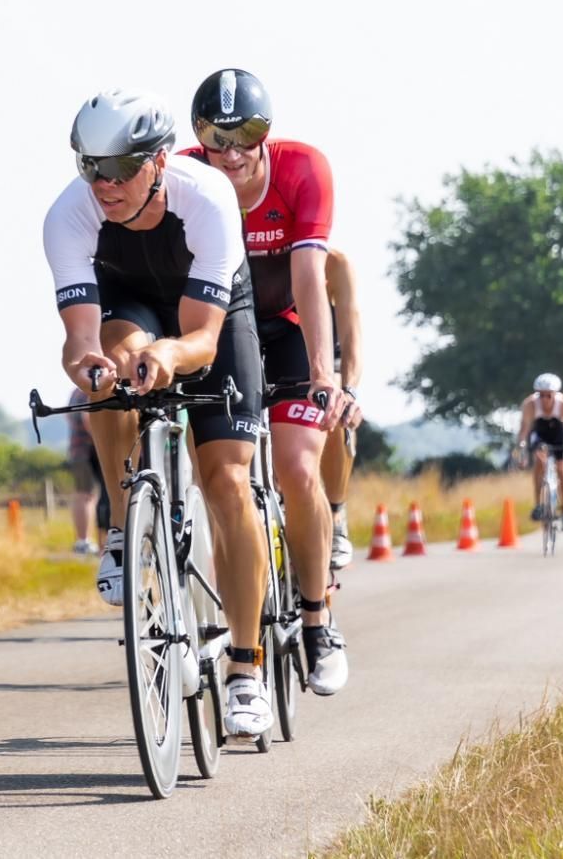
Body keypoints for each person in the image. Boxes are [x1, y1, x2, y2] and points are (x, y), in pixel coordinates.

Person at [43, 88, 272, 737]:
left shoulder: (208, 199)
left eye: (119, 169)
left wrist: (169, 354)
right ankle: (124, 525)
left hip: (212, 314)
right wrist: (93, 363)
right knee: (108, 374)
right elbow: (80, 338)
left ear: (160, 160)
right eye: (91, 168)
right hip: (130, 300)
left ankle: (246, 668)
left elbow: (202, 338)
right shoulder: (68, 215)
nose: (104, 184)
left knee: (227, 480)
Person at [186, 67, 349, 697]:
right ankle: (238, 631)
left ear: (266, 135)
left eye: (245, 136)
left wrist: (322, 373)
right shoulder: (184, 176)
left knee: (296, 469)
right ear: (197, 138)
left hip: (284, 328)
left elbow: (310, 276)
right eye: (214, 138)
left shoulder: (304, 167)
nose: (230, 154)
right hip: (225, 331)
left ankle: (317, 619)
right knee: (225, 489)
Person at [320, 247, 364, 570]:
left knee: (335, 407)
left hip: (326, 359)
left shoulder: (334, 264)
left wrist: (348, 389)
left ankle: (335, 511)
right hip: (268, 351)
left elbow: (351, 336)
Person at [517, 373, 563, 530]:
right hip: (540, 435)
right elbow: (524, 431)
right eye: (541, 395)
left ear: (555, 394)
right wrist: (522, 450)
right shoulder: (530, 404)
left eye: (549, 396)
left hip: (559, 436)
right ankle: (538, 505)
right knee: (540, 461)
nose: (545, 399)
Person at [66, 386, 111, 553]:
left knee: (82, 495)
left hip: (77, 450)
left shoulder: (75, 392)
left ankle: (82, 541)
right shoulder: (93, 388)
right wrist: (102, 441)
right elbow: (88, 418)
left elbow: (68, 418)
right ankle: (97, 542)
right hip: (92, 449)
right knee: (92, 496)